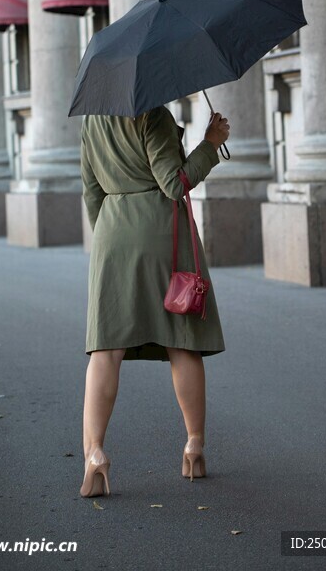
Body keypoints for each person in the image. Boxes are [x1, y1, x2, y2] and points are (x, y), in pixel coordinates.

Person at [79, 104, 230, 498]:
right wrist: (210, 144)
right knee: (181, 341)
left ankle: (94, 454)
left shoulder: (92, 119)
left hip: (112, 233)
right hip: (161, 232)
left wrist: (110, 238)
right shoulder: (153, 115)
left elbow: (91, 190)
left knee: (106, 349)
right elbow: (174, 185)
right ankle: (194, 446)